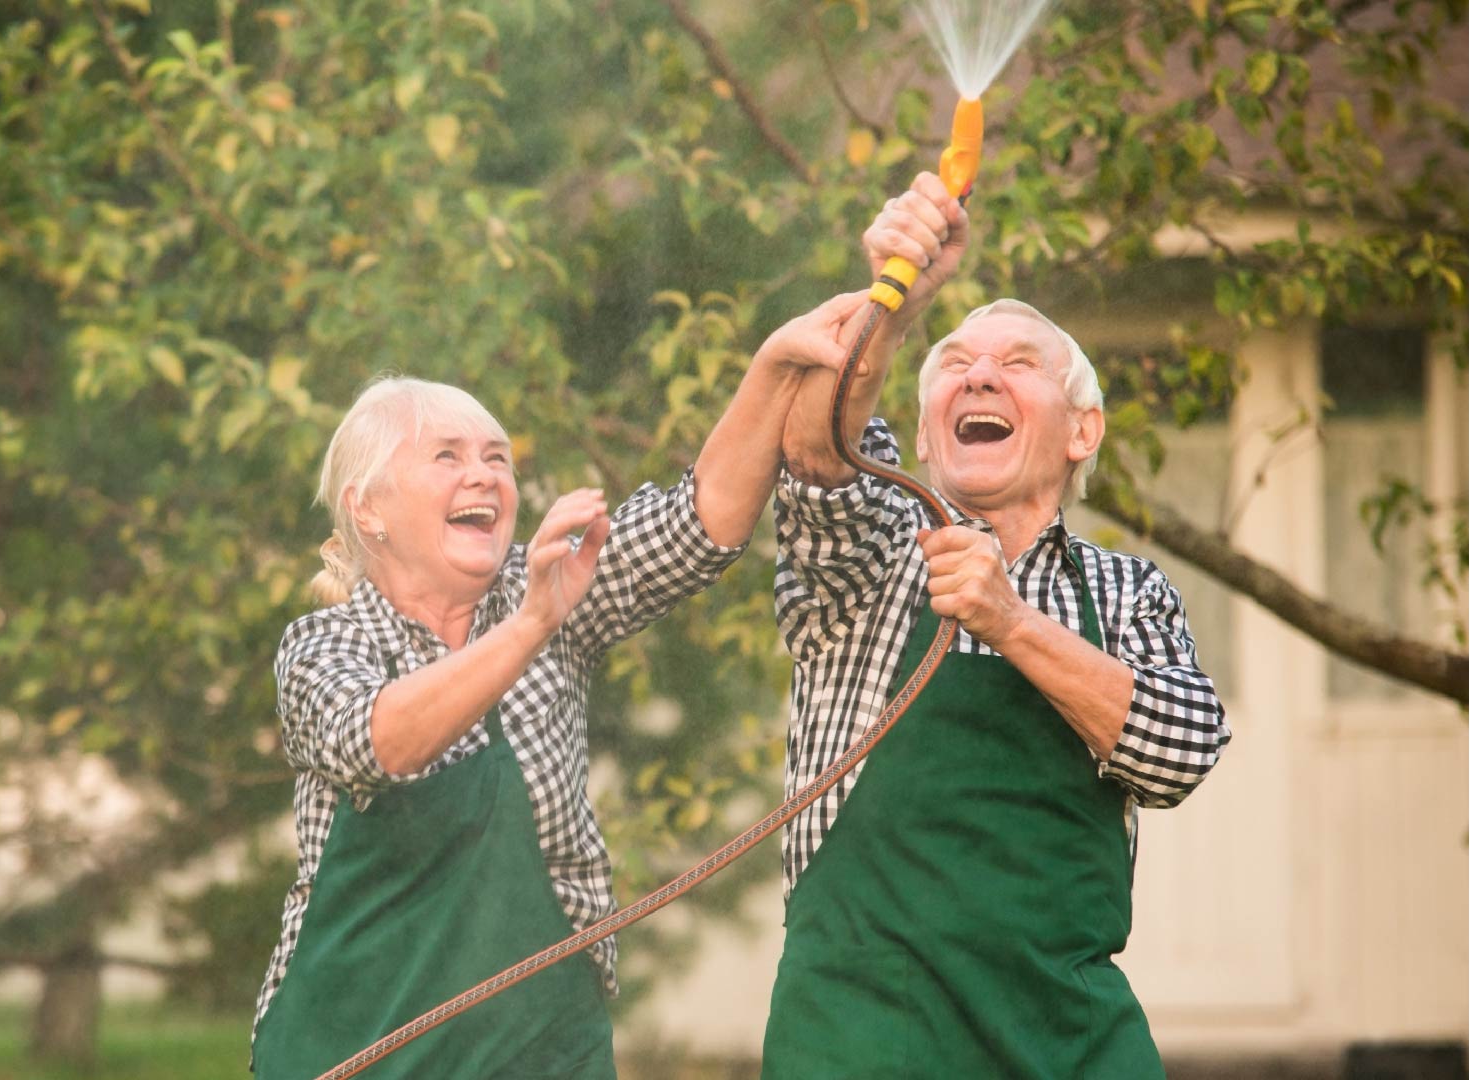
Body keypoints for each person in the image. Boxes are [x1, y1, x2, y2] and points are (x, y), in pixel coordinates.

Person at [251, 269, 880, 1078]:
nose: (483, 476)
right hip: (354, 1051)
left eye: (497, 459)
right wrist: (532, 626)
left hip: (540, 1052)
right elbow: (381, 740)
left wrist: (772, 368)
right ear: (366, 507)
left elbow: (701, 520)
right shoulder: (324, 644)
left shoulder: (546, 581)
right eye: (446, 457)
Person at [760, 173, 1232, 1078]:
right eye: (954, 362)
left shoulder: (1127, 594)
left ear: (1081, 432)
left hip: (1062, 1035)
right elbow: (817, 452)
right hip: (863, 1036)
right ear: (931, 437)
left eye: (1017, 363)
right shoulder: (866, 562)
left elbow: (1180, 755)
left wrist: (1008, 621)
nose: (978, 372)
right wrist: (897, 299)